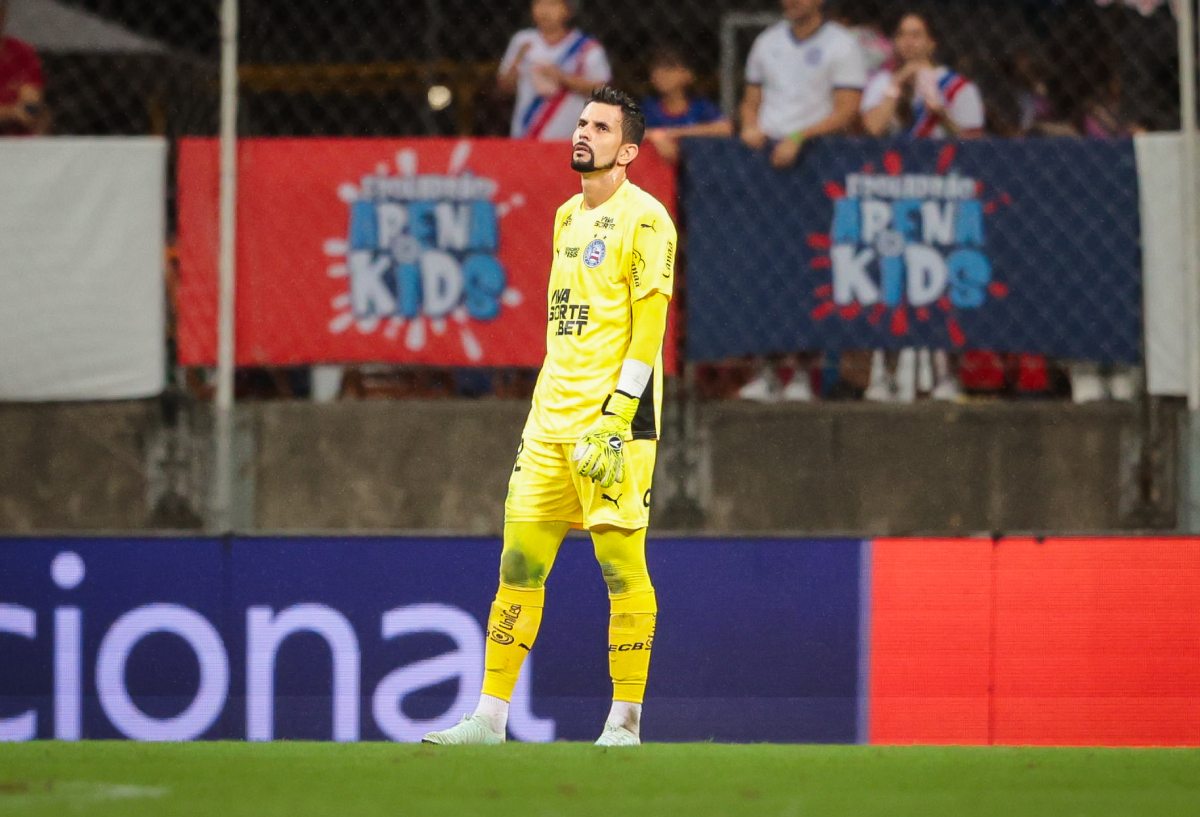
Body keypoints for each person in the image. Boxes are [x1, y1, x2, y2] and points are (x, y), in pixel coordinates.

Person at [423, 87, 675, 747]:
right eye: (582, 121)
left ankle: (625, 722)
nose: (583, 132)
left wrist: (617, 414)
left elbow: (649, 331)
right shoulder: (566, 216)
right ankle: (489, 718)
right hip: (549, 423)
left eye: (600, 126)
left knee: (622, 568)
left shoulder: (647, 220)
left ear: (628, 149)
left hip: (614, 425)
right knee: (518, 566)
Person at [738, 0, 867, 401]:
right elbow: (752, 99)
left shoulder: (843, 45)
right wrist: (749, 126)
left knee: (810, 268)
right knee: (764, 266)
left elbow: (848, 110)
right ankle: (765, 371)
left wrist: (800, 137)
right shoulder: (766, 42)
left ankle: (802, 375)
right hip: (769, 166)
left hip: (818, 167)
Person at [859, 12, 984, 402]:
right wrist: (896, 88)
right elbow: (872, 130)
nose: (910, 43)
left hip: (943, 199)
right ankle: (884, 374)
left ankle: (945, 375)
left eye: (918, 35)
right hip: (890, 198)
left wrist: (939, 111)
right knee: (888, 280)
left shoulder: (958, 87)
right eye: (902, 35)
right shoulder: (880, 84)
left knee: (941, 281)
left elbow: (975, 142)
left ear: (932, 42)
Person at [497, 0, 611, 141]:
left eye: (553, 4)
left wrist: (562, 78)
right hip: (525, 134)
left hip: (569, 138)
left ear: (569, 10)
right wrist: (517, 62)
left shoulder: (587, 47)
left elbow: (603, 92)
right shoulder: (522, 40)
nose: (544, 10)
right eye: (539, 3)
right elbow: (504, 88)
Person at [641, 46, 732, 164]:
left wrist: (674, 134)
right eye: (655, 69)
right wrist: (655, 136)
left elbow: (725, 128)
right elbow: (627, 131)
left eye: (670, 68)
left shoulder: (700, 106)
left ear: (688, 74)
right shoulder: (649, 107)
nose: (660, 74)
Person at [0, 0, 49, 136]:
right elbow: (18, 112)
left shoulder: (21, 51)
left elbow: (30, 104)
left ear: (4, 15)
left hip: (17, 138)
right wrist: (12, 112)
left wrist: (21, 111)